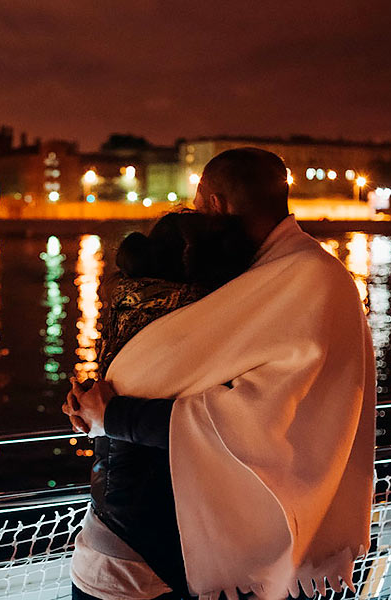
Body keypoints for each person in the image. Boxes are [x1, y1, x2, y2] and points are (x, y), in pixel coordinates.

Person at [65, 147, 375, 600]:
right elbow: (176, 369)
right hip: (161, 542)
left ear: (215, 203)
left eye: (197, 203)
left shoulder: (303, 279)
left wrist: (110, 415)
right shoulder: (257, 272)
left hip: (148, 552)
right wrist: (98, 404)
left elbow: (255, 421)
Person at [68, 211, 259, 600]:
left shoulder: (132, 312)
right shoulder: (206, 329)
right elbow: (219, 426)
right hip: (145, 559)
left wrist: (95, 408)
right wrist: (107, 414)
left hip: (115, 549)